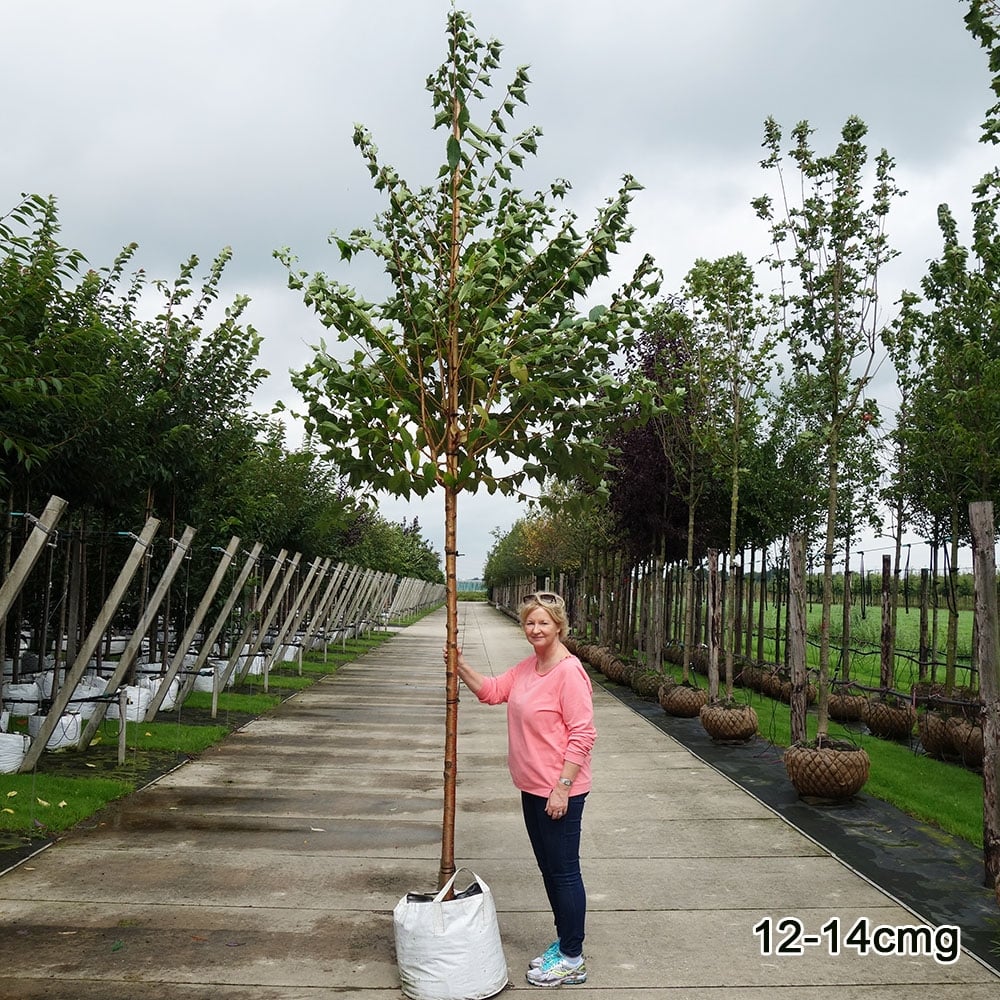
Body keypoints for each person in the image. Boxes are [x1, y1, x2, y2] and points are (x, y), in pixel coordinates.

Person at [449, 590, 596, 988]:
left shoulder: (569, 672)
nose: (535, 629)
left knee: (564, 872)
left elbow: (583, 735)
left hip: (558, 791)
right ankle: (566, 941)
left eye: (543, 622)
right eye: (530, 622)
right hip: (532, 788)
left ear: (559, 626)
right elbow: (493, 691)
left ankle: (572, 957)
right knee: (549, 870)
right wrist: (460, 666)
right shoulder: (529, 668)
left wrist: (563, 788)